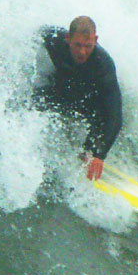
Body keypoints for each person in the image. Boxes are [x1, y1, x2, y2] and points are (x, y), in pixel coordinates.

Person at [33, 16, 122, 181]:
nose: (82, 52)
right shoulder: (54, 40)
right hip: (61, 89)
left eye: (88, 46)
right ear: (68, 38)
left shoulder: (103, 63)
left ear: (95, 40)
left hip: (87, 99)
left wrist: (99, 155)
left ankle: (87, 156)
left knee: (100, 118)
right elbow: (33, 35)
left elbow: (114, 116)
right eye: (78, 45)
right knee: (37, 100)